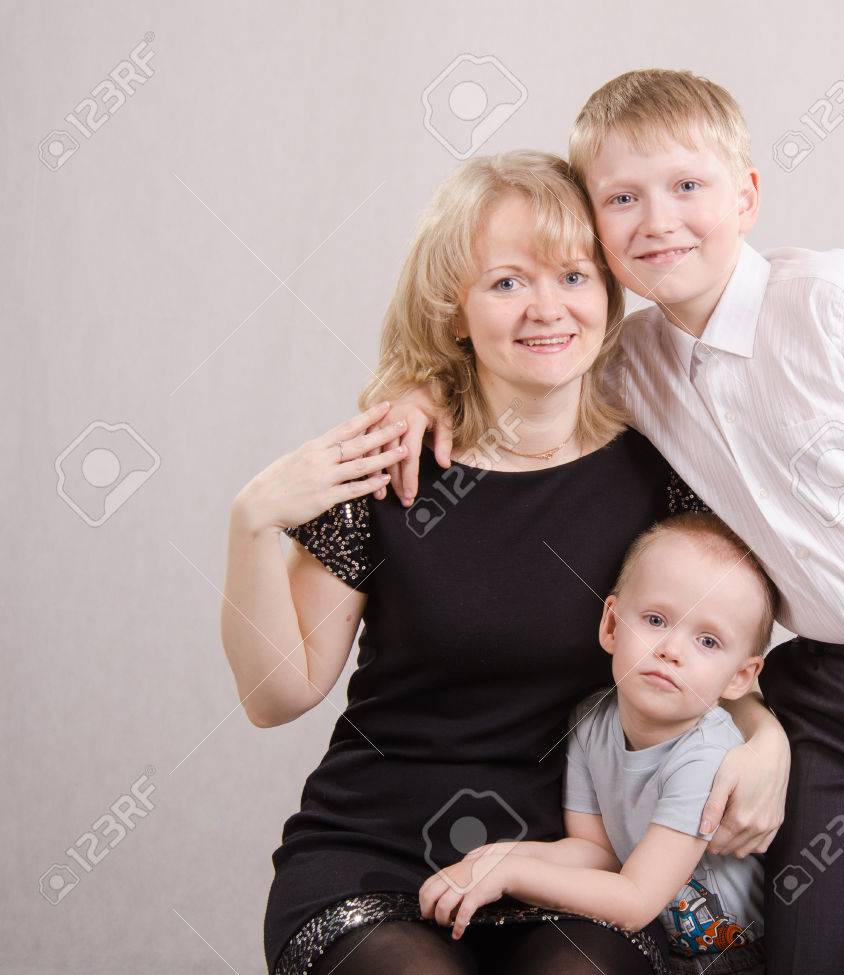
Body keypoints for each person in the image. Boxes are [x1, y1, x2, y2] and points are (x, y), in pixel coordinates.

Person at [376, 69, 844, 974]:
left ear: (747, 194)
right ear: (595, 227)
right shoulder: (629, 361)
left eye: (687, 186)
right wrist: (414, 388)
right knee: (800, 955)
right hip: (829, 697)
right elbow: (510, 356)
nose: (657, 219)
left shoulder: (841, 302)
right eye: (622, 198)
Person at [221, 149, 790, 975]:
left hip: (576, 867)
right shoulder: (390, 465)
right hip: (375, 856)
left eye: (573, 276)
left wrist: (765, 739)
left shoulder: (662, 477)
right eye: (507, 282)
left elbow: (711, 660)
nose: (546, 309)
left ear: (607, 294)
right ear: (454, 311)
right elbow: (277, 695)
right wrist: (250, 525)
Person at [418, 512, 775, 975]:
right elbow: (597, 855)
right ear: (611, 625)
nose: (671, 649)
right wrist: (495, 857)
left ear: (740, 677)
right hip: (654, 944)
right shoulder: (590, 722)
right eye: (655, 619)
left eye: (707, 641)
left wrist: (510, 874)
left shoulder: (706, 756)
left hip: (726, 956)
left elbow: (635, 900)